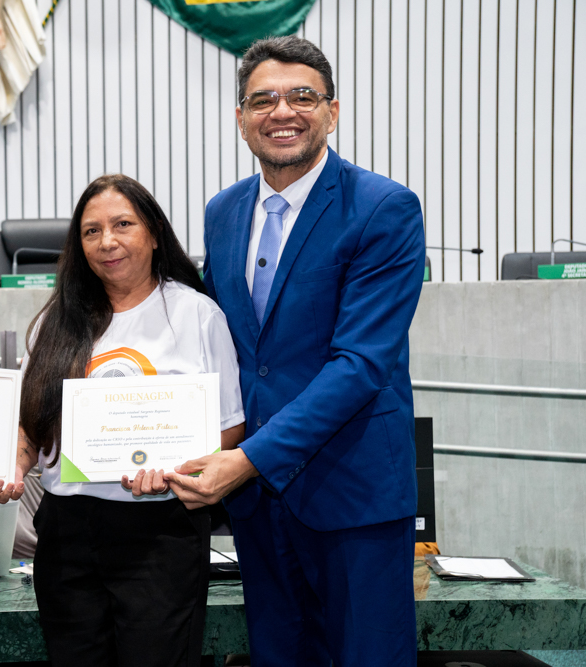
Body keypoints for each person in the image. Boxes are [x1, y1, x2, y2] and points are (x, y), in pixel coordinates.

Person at [163, 36, 426, 667]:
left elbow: (361, 365)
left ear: (332, 112)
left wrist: (247, 458)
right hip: (257, 507)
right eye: (264, 100)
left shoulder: (384, 208)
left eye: (303, 96)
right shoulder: (222, 212)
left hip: (352, 491)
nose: (283, 111)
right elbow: (217, 341)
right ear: (241, 120)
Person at [0, 174, 245, 667]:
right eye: (91, 231)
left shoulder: (197, 314)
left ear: (153, 233)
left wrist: (177, 468)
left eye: (123, 224)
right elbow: (31, 425)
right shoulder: (55, 322)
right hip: (66, 532)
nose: (107, 242)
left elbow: (231, 425)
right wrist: (13, 466)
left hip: (160, 528)